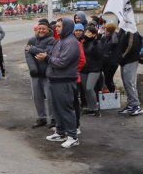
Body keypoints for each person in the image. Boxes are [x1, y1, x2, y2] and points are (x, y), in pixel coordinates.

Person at [41, 17, 81, 148]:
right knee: (57, 108)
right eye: (56, 26)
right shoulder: (60, 40)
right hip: (55, 79)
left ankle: (73, 136)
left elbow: (62, 62)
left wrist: (47, 58)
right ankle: (60, 132)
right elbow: (54, 57)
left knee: (65, 109)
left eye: (59, 26)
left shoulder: (71, 42)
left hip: (64, 80)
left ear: (67, 27)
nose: (56, 28)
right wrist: (47, 57)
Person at [25, 19, 56, 129]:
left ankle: (53, 118)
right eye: (39, 29)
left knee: (50, 97)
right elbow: (27, 54)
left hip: (47, 74)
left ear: (48, 29)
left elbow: (47, 53)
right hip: (35, 74)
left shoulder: (52, 40)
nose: (41, 30)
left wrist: (33, 49)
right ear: (37, 29)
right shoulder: (32, 39)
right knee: (37, 97)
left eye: (43, 29)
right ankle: (41, 118)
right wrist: (33, 68)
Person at [117, 27, 142, 116]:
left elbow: (131, 46)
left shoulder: (132, 30)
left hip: (131, 60)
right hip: (124, 61)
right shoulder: (123, 29)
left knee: (130, 83)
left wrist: (121, 57)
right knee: (126, 83)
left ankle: (136, 106)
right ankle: (130, 104)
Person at [80, 25, 102, 117]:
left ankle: (96, 108)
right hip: (84, 69)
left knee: (89, 88)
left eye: (89, 32)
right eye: (86, 32)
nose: (87, 34)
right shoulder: (83, 42)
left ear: (94, 35)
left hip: (94, 69)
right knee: (85, 89)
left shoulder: (97, 42)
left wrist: (96, 42)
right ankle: (91, 108)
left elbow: (99, 55)